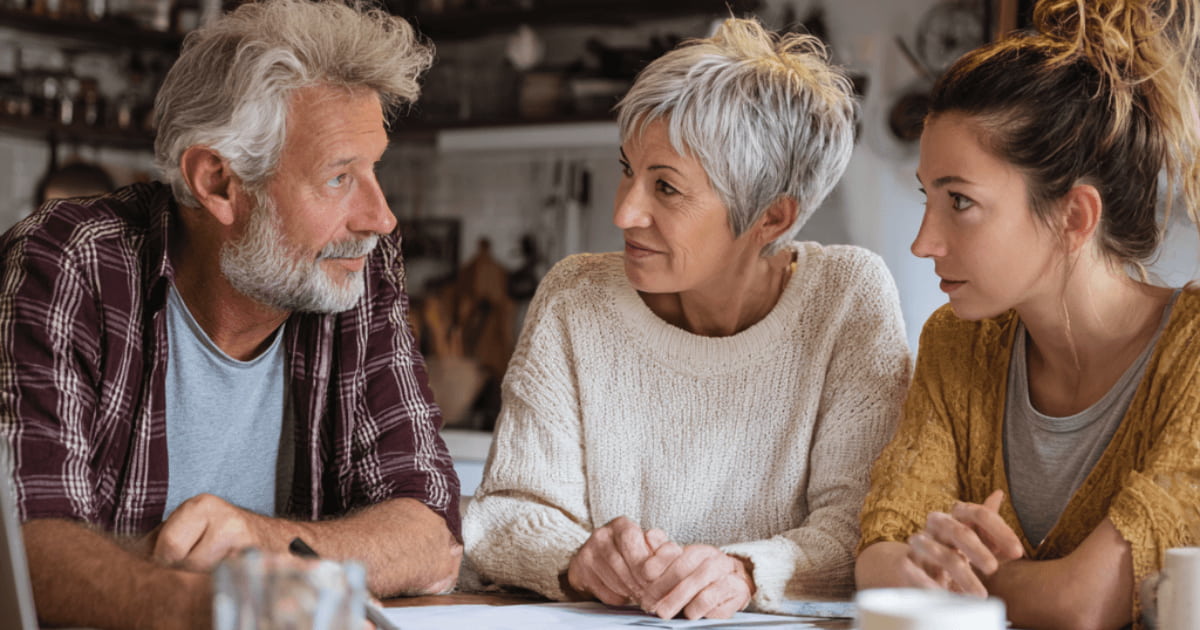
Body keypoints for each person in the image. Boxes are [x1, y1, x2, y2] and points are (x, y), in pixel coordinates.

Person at [0, 1, 462, 628]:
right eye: (338, 177)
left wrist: (256, 543)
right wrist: (220, 608)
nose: (379, 218)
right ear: (217, 182)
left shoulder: (356, 269)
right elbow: (24, 547)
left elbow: (430, 534)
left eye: (372, 168)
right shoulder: (73, 262)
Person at [464, 17, 911, 620]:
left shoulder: (846, 299)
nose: (625, 212)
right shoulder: (577, 297)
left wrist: (746, 572)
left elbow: (866, 528)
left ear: (772, 219)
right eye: (628, 169)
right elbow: (504, 513)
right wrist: (577, 558)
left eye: (666, 188)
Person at [855, 1, 1200, 628]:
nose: (923, 242)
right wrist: (920, 567)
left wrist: (960, 576)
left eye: (960, 201)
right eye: (927, 197)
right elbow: (879, 558)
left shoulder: (1195, 355)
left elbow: (1084, 604)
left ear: (1074, 217)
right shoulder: (958, 341)